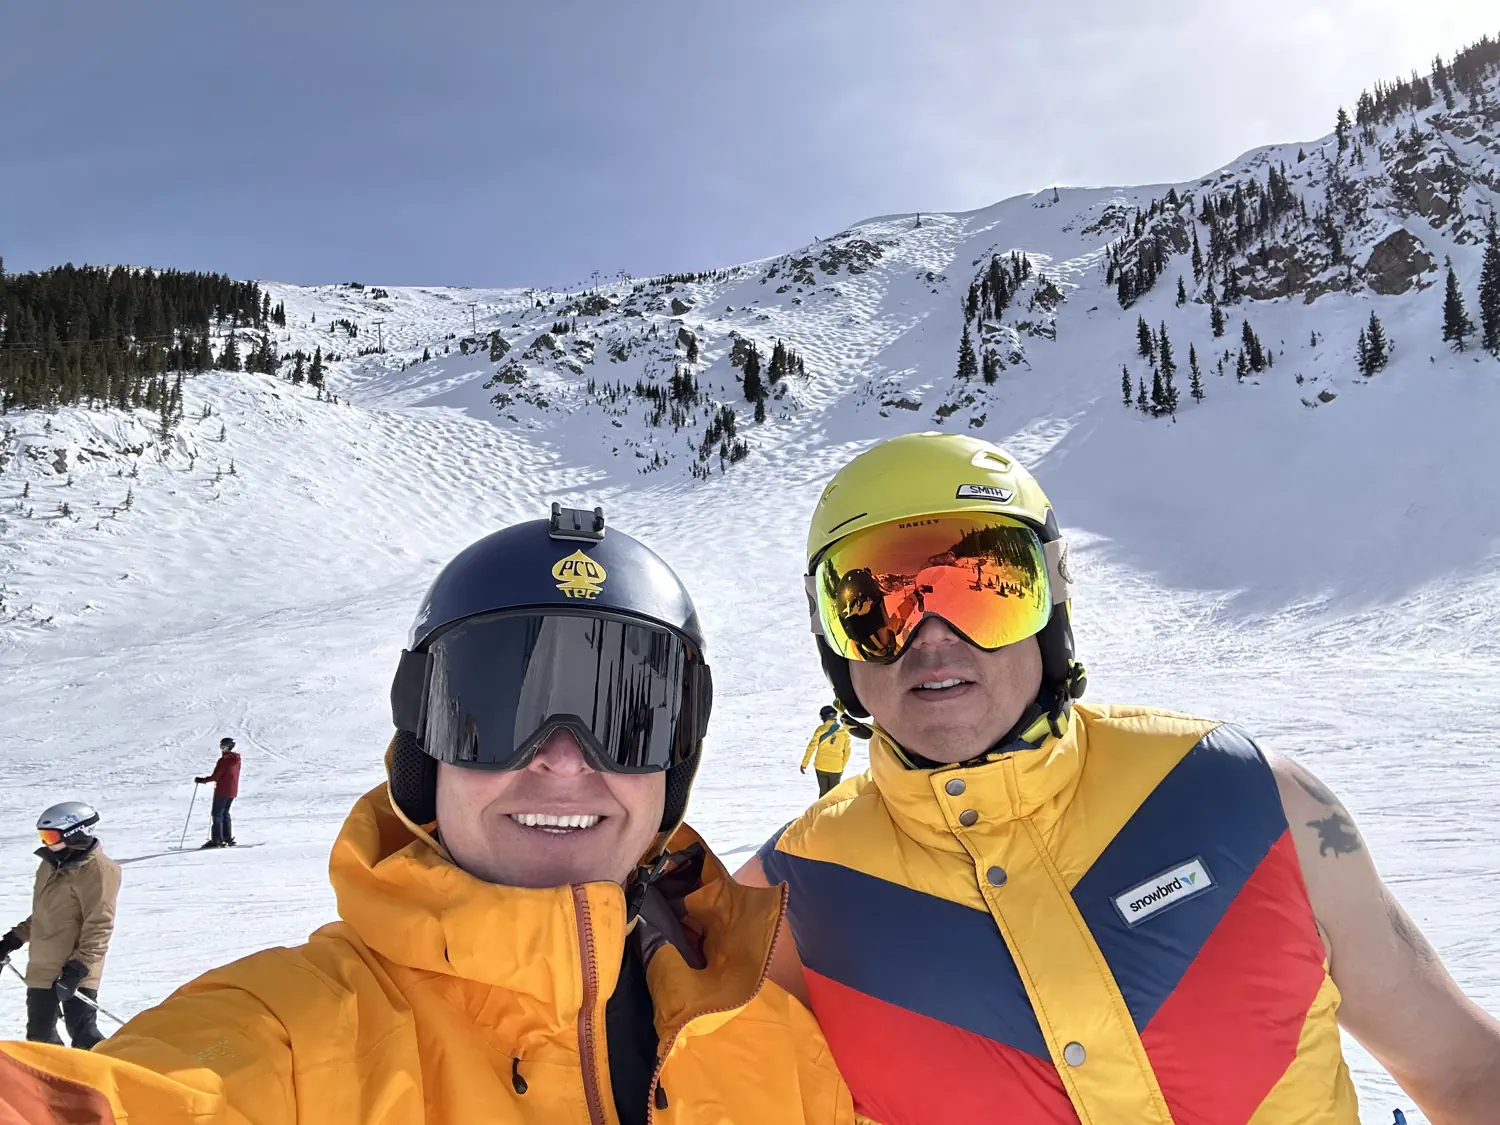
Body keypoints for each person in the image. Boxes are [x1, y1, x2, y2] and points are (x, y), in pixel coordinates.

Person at [0, 504, 852, 1125]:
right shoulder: (298, 1033)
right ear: (423, 748)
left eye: (626, 716)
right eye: (493, 710)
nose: (561, 758)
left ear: (678, 761)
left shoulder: (777, 1041)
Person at [739, 433, 1500, 1124]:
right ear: (835, 645)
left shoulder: (1251, 798)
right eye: (878, 605)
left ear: (1051, 603)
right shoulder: (780, 906)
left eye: (983, 586)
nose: (933, 638)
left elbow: (1466, 1073)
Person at [0, 802, 120, 1050]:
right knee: (40, 1038)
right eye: (43, 836)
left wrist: (79, 967)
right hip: (43, 967)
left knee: (83, 1034)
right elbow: (45, 914)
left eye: (51, 836)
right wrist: (13, 940)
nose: (46, 843)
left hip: (75, 968)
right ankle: (57, 1087)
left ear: (75, 833)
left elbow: (100, 925)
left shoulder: (98, 870)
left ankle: (112, 1079)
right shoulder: (49, 864)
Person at [195, 736, 242, 848]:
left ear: (229, 747)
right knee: (225, 813)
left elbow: (216, 776)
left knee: (217, 814)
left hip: (222, 791)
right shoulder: (237, 760)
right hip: (232, 790)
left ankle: (217, 840)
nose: (222, 748)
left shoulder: (224, 760)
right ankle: (227, 838)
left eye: (224, 746)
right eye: (221, 746)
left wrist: (203, 780)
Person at [801, 705, 852, 796]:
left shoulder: (820, 730)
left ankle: (821, 810)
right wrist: (841, 766)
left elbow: (811, 748)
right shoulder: (844, 732)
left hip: (821, 766)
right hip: (836, 768)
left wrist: (804, 764)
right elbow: (847, 752)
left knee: (823, 793)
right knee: (833, 795)